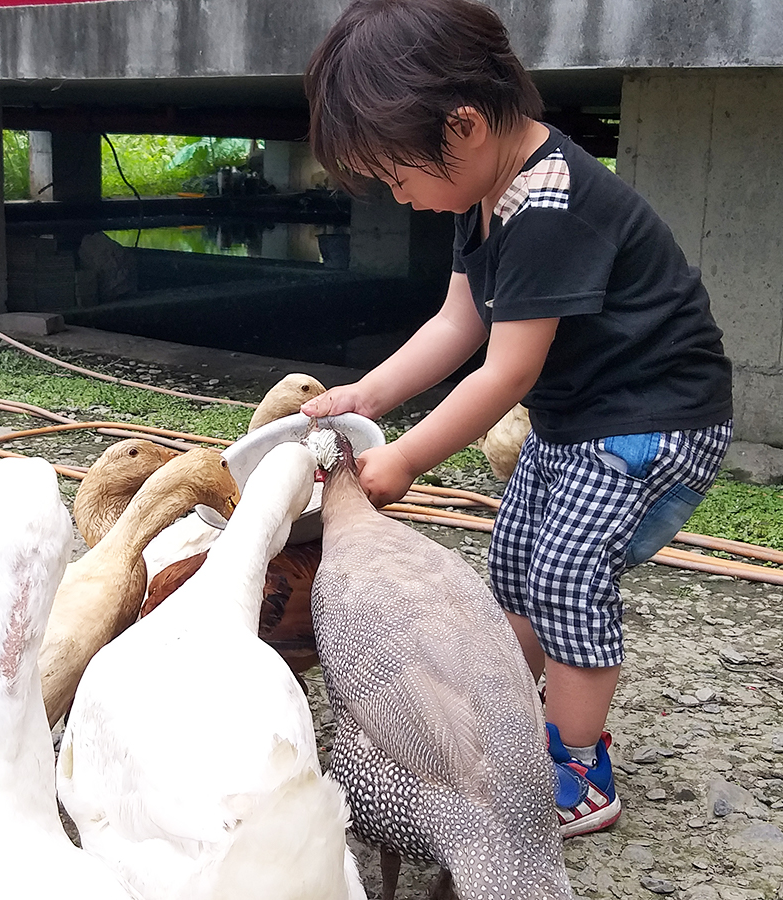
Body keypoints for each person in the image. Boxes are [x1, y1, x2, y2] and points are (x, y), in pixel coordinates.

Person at [300, 0, 733, 837]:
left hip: (652, 424)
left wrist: (405, 459)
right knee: (513, 566)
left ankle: (578, 771)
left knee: (566, 575)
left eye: (398, 177)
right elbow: (458, 323)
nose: (401, 197)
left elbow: (508, 370)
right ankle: (501, 725)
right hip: (577, 420)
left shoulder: (547, 204)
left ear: (461, 126)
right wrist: (368, 397)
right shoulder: (483, 193)